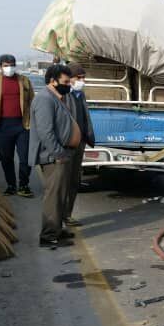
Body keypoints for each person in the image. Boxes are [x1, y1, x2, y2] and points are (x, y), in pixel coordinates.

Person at [29, 64, 81, 248]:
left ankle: (57, 230)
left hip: (63, 153)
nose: (68, 85)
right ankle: (49, 235)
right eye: (65, 82)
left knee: (61, 195)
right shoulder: (44, 99)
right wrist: (59, 154)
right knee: (53, 196)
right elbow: (45, 132)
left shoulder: (57, 97)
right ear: (53, 81)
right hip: (53, 157)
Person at [0, 54, 35, 197]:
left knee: (25, 157)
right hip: (2, 126)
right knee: (6, 158)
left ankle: (24, 185)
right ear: (0, 67)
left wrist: (32, 121)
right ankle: (11, 185)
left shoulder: (24, 81)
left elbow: (32, 100)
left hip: (23, 125)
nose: (9, 68)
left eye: (12, 65)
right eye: (6, 65)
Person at [64, 63, 95, 227]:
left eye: (84, 78)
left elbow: (85, 118)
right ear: (70, 79)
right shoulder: (63, 96)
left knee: (74, 181)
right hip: (67, 145)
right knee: (63, 182)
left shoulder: (80, 95)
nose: (82, 81)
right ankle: (59, 217)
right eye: (79, 78)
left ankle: (67, 215)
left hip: (80, 143)